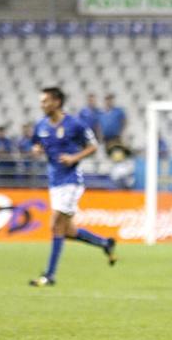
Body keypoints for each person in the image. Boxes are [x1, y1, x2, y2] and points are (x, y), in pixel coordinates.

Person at [29, 87, 117, 287]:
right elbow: (36, 144)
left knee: (55, 225)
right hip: (54, 183)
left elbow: (93, 146)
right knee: (67, 230)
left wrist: (74, 158)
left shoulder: (74, 124)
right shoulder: (41, 125)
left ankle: (50, 275)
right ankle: (105, 243)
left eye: (45, 101)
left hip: (71, 181)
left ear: (57, 102)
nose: (42, 105)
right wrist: (36, 149)